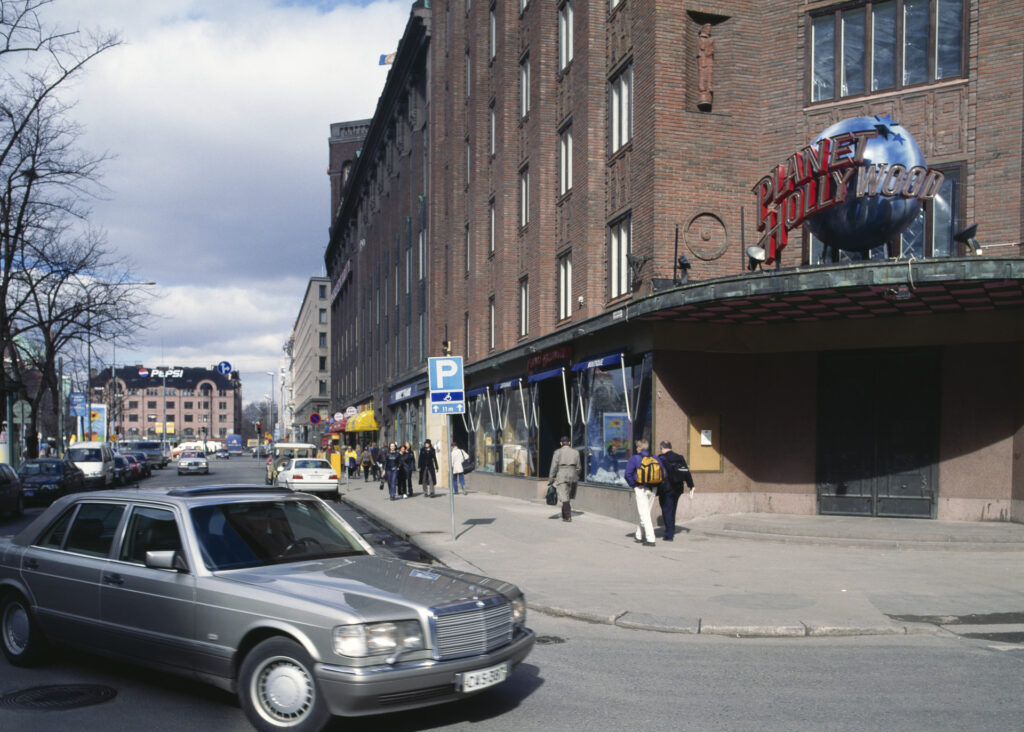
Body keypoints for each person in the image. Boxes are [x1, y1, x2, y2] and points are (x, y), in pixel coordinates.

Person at [624, 438, 663, 546]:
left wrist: (634, 485)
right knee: (645, 512)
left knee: (644, 514)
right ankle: (639, 535)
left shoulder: (634, 458)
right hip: (653, 488)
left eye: (637, 446)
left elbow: (627, 474)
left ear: (640, 448)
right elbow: (664, 474)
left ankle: (651, 539)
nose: (636, 448)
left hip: (640, 488)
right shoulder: (655, 458)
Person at [657, 440, 694, 541]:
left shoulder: (661, 458)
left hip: (666, 489)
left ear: (662, 448)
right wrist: (691, 485)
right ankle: (671, 529)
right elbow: (686, 471)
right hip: (678, 488)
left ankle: (669, 534)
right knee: (672, 509)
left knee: (666, 510)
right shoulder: (679, 457)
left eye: (661, 448)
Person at [547, 435, 581, 522]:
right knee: (567, 495)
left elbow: (553, 466)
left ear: (561, 443)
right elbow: (579, 467)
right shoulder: (575, 452)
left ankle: (567, 516)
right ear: (569, 443)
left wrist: (551, 478)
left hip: (562, 473)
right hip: (572, 474)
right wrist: (576, 475)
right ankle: (564, 514)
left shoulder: (557, 452)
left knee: (564, 496)